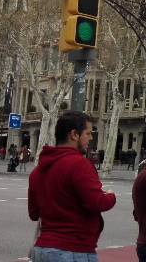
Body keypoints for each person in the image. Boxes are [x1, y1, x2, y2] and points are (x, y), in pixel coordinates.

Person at [28, 111, 117, 261]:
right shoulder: (79, 164)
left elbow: (34, 213)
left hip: (42, 248)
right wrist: (110, 195)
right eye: (88, 133)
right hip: (73, 250)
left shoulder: (37, 171)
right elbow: (98, 202)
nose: (91, 138)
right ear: (74, 134)